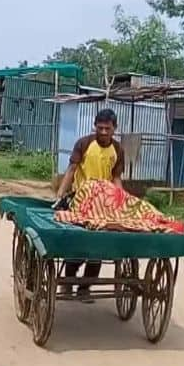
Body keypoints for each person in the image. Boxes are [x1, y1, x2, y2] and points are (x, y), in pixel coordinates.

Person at [55, 108, 126, 301]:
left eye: (107, 128)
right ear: (95, 126)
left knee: (99, 247)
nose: (103, 132)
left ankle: (84, 288)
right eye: (100, 128)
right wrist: (61, 195)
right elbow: (71, 170)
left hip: (103, 203)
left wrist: (121, 200)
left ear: (115, 128)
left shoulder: (118, 150)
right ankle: (67, 283)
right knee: (79, 245)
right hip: (81, 199)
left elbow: (116, 178)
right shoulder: (84, 143)